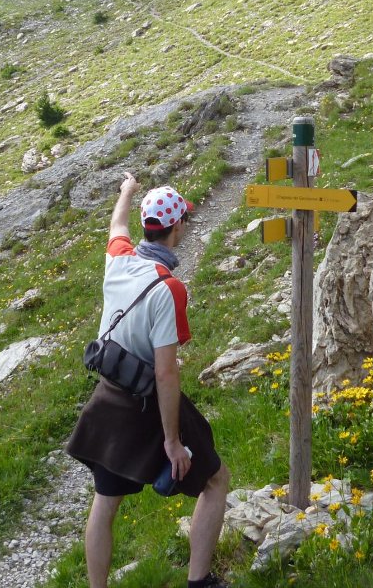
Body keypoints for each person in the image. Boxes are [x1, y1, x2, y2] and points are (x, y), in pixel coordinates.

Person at [66, 173, 231, 588]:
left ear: (147, 227)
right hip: (145, 404)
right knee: (215, 479)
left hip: (108, 400)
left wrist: (127, 190)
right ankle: (200, 581)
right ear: (176, 229)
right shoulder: (168, 288)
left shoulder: (118, 258)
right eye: (185, 223)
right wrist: (172, 442)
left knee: (105, 503)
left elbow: (116, 225)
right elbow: (166, 372)